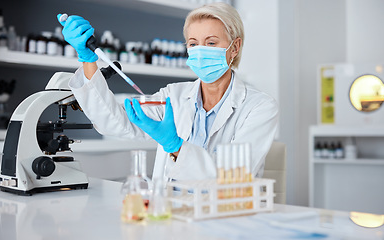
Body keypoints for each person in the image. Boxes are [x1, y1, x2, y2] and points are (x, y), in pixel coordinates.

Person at [57, 3, 278, 182]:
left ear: (235, 47)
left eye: (211, 42)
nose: (200, 51)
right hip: (171, 212)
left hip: (223, 218)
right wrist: (88, 59)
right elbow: (115, 122)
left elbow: (233, 176)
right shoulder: (174, 96)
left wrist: (175, 146)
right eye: (193, 44)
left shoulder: (259, 107)